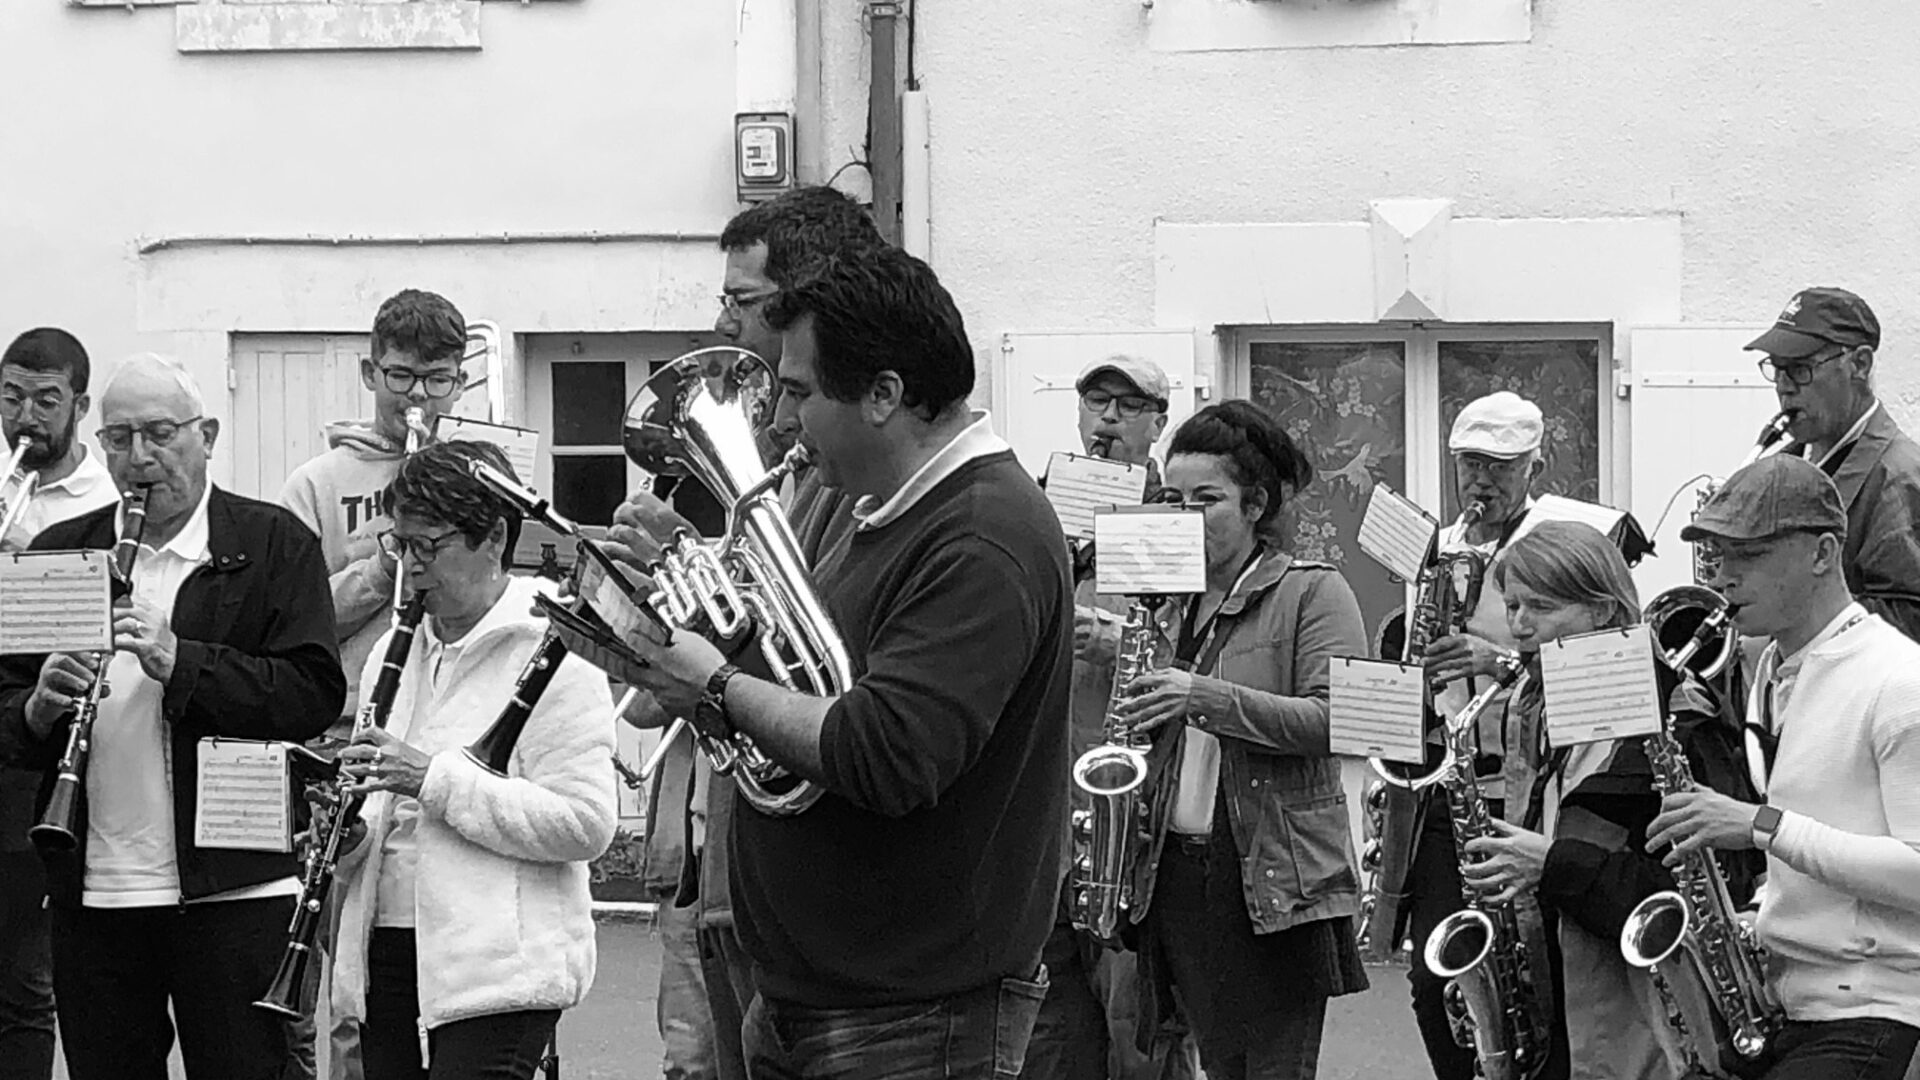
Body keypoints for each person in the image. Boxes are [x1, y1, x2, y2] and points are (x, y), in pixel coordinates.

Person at [606, 244, 1068, 1078]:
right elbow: (805, 687)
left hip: (912, 1019)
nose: (780, 423)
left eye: (798, 393)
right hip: (825, 1002)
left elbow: (884, 749)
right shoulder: (884, 512)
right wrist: (677, 633)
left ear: (885, 394)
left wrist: (710, 678)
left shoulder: (981, 534)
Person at [0, 353, 346, 1080]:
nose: (140, 458)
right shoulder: (62, 553)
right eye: (120, 439)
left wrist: (181, 661)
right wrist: (36, 708)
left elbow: (312, 693)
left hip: (236, 885)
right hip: (95, 887)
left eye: (160, 434)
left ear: (207, 434)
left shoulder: (273, 544)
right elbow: (5, 718)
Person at [628, 184, 883, 1080]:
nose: (723, 320)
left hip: (818, 881)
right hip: (738, 857)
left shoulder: (849, 471)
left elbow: (816, 651)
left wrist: (697, 589)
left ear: (804, 297)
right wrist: (666, 581)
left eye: (740, 300)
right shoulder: (793, 466)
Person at [326, 440, 618, 1080]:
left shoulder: (555, 652)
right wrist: (347, 835)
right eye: (401, 546)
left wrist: (432, 778)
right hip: (388, 950)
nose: (412, 568)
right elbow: (388, 815)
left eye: (429, 546)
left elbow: (587, 824)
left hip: (498, 973)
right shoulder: (389, 656)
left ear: (493, 539)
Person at [1105, 400, 1368, 1080]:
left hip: (1271, 878)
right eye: (1173, 499)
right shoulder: (1166, 600)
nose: (1185, 518)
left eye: (1207, 500)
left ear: (1256, 504)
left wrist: (1203, 697)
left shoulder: (1314, 591)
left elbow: (1342, 720)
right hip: (1173, 873)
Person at [1643, 454, 1920, 1080]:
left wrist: (1762, 827)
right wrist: (1758, 913)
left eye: (1750, 556)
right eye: (1717, 556)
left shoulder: (1898, 680)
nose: (1724, 578)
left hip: (1879, 1010)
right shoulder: (1770, 669)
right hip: (1787, 1004)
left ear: (1823, 553)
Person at [1456, 520, 1762, 1079]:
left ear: (1602, 612)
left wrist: (1552, 866)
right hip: (1560, 1013)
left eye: (1541, 609)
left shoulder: (1681, 721)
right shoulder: (1537, 705)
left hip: (1651, 1034)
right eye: (1513, 606)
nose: (1520, 628)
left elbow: (1710, 904)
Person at [278, 287, 469, 1080]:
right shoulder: (318, 483)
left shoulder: (483, 469)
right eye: (400, 377)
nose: (417, 397)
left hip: (451, 734)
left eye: (437, 379)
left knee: (440, 960)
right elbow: (293, 620)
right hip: (348, 736)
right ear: (369, 371)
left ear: (462, 379)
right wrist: (383, 564)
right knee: (346, 976)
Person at [1024, 354, 1199, 1080]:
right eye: (1097, 402)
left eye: (1130, 407)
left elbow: (1201, 652)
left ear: (1159, 423)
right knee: (1050, 1044)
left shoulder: (1178, 521)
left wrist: (1115, 638)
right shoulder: (1036, 513)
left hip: (1134, 815)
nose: (1108, 421)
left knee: (1138, 1042)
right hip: (1043, 813)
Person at [1395, 390, 1548, 1080]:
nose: (1481, 482)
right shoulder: (1441, 545)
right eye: (1470, 465)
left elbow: (1592, 660)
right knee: (1436, 974)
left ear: (1534, 469)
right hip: (1447, 784)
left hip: (1521, 784)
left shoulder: (1557, 543)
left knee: (1525, 975)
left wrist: (1499, 661)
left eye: (1500, 467)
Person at [0, 328, 118, 1080]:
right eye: (11, 398)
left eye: (46, 401)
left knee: (20, 984)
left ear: (77, 405)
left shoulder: (105, 506)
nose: (26, 418)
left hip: (30, 751)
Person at [1745, 286, 1920, 643]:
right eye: (1777, 369)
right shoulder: (1787, 461)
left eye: (1800, 369)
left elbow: (1910, 620)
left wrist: (1779, 618)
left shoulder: (1899, 475)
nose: (1784, 387)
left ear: (1860, 364)